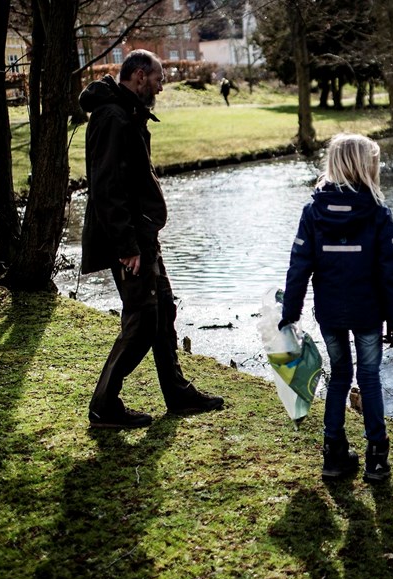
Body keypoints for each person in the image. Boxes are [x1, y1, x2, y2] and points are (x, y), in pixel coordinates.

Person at [79, 49, 224, 429]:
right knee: (142, 318)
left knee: (163, 310)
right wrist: (127, 247)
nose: (162, 85)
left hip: (143, 235)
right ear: (140, 76)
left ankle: (176, 393)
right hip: (129, 241)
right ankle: (104, 404)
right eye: (159, 78)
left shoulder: (126, 112)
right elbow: (106, 189)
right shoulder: (112, 117)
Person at [279, 133, 393, 482]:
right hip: (368, 312)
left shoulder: (313, 211)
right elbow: (391, 271)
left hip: (331, 313)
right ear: (366, 167)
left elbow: (299, 265)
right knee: (368, 377)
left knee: (339, 376)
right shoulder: (378, 212)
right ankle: (376, 457)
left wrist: (290, 312)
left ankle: (334, 453)